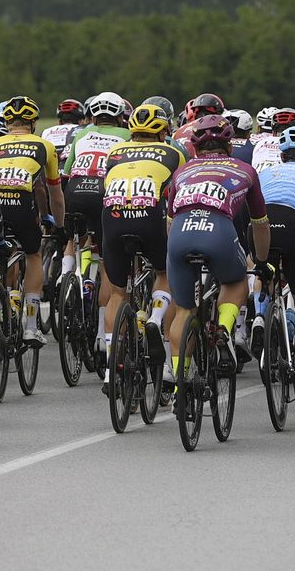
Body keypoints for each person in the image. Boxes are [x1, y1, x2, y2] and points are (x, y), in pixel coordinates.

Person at [162, 115, 271, 405]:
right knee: (236, 283)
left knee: (183, 310)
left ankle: (179, 385)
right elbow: (260, 223)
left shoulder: (181, 172)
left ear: (196, 148)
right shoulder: (246, 170)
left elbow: (170, 223)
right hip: (219, 232)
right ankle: (224, 329)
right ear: (229, 145)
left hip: (181, 234)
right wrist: (261, 261)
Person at [97, 103, 187, 394]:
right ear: (163, 131)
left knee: (117, 293)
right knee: (164, 271)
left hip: (112, 218)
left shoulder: (115, 153)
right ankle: (156, 319)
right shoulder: (174, 153)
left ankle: (112, 370)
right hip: (150, 217)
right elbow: (183, 192)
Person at [0, 96, 65, 346]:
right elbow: (54, 192)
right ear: (33, 123)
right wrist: (59, 224)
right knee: (33, 254)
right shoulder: (44, 145)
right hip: (21, 203)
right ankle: (31, 327)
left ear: (6, 122)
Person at [256, 124, 295, 382]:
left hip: (259, 226)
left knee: (265, 271)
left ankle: (260, 315)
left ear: (281, 156)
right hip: (292, 224)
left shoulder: (266, 172)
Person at [63, 92, 131, 318]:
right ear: (120, 116)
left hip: (75, 190)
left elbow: (67, 170)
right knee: (106, 258)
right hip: (103, 192)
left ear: (92, 115)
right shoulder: (127, 135)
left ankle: (65, 280)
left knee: (76, 239)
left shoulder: (82, 133)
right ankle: (103, 334)